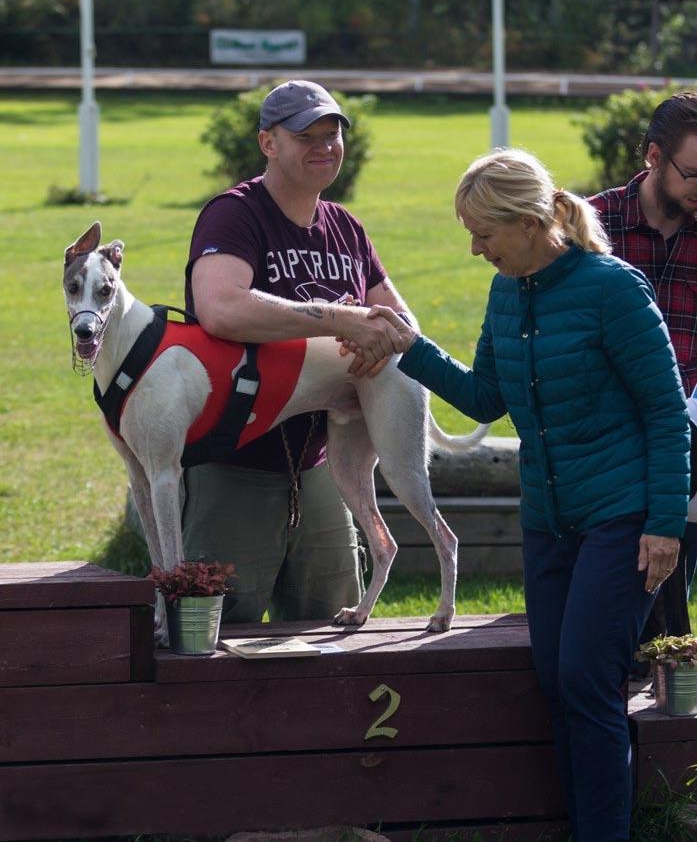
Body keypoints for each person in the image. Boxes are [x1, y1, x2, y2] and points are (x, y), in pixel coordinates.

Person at [365, 149, 690, 842]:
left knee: (586, 681)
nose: (474, 248)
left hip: (623, 516)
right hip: (548, 521)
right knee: (555, 683)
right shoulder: (506, 291)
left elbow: (666, 412)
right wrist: (409, 345)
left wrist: (664, 525)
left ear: (528, 220)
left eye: (482, 232)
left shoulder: (613, 290)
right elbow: (487, 396)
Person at [182, 79, 415, 624]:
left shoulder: (345, 228)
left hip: (323, 469)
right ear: (268, 143)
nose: (324, 146)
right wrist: (340, 319)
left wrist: (385, 341)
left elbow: (402, 324)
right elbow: (220, 308)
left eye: (332, 134)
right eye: (305, 134)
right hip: (235, 462)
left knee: (330, 630)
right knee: (214, 635)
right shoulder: (233, 214)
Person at [589, 91, 697, 641]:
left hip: (685, 428)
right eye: (694, 174)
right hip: (604, 435)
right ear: (654, 157)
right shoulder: (591, 226)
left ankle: (667, 667)